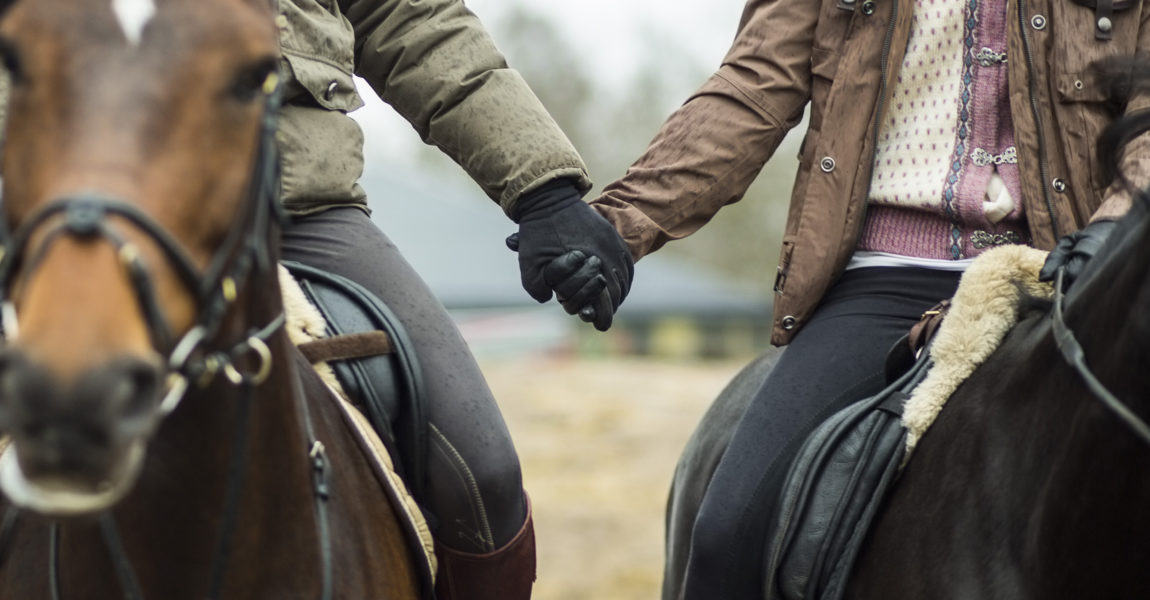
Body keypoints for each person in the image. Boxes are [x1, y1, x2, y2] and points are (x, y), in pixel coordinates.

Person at [511, 0, 1149, 597]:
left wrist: (1113, 229)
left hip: (1073, 271)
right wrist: (618, 229)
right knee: (730, 532)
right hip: (886, 279)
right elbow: (752, 89)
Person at [256, 0, 626, 598]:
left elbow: (410, 17)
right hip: (83, 206)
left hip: (298, 206)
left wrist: (543, 190)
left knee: (484, 475)